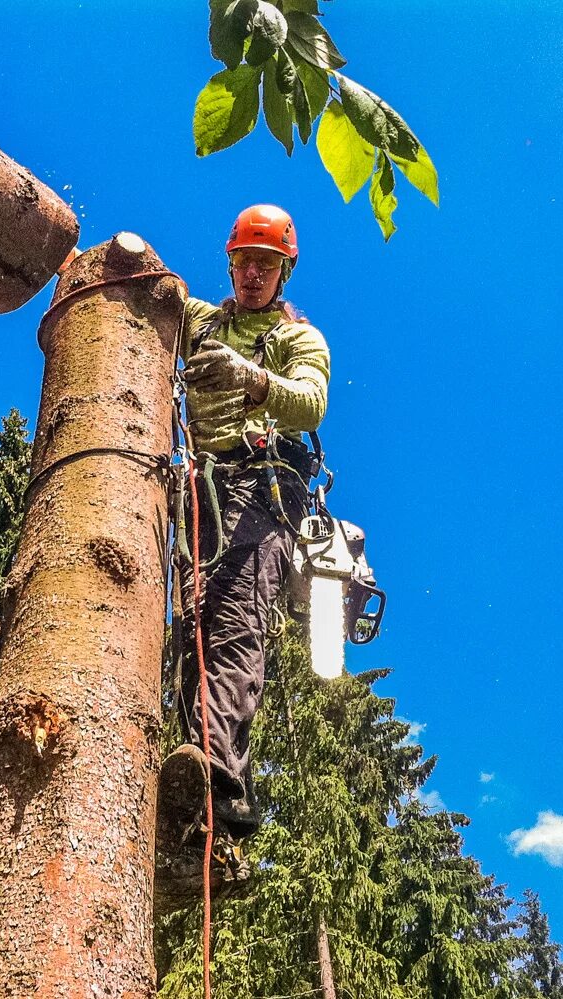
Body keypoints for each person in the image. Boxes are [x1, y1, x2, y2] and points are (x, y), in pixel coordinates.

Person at [157, 204, 331, 887]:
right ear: (230, 263)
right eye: (244, 262)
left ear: (285, 270)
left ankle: (215, 782)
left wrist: (254, 378)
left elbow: (311, 403)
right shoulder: (203, 320)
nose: (254, 273)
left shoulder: (298, 338)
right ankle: (200, 819)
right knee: (189, 636)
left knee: (232, 627)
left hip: (261, 489)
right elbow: (155, 294)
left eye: (267, 264)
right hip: (198, 493)